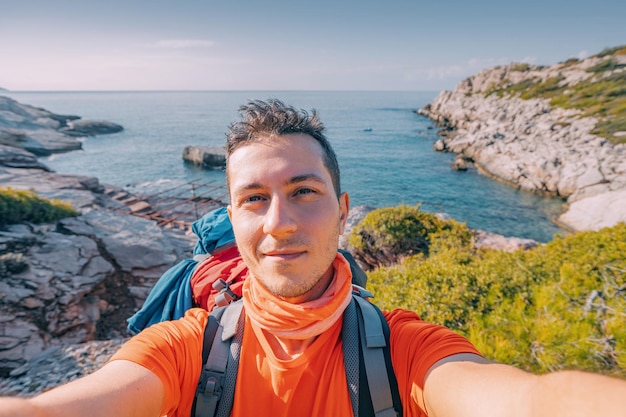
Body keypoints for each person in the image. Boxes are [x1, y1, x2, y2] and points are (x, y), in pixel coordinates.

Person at [1, 99, 625, 417]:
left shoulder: (402, 350)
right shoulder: (187, 347)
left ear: (344, 207)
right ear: (234, 217)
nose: (279, 224)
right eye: (254, 200)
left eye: (304, 191)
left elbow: (532, 402)